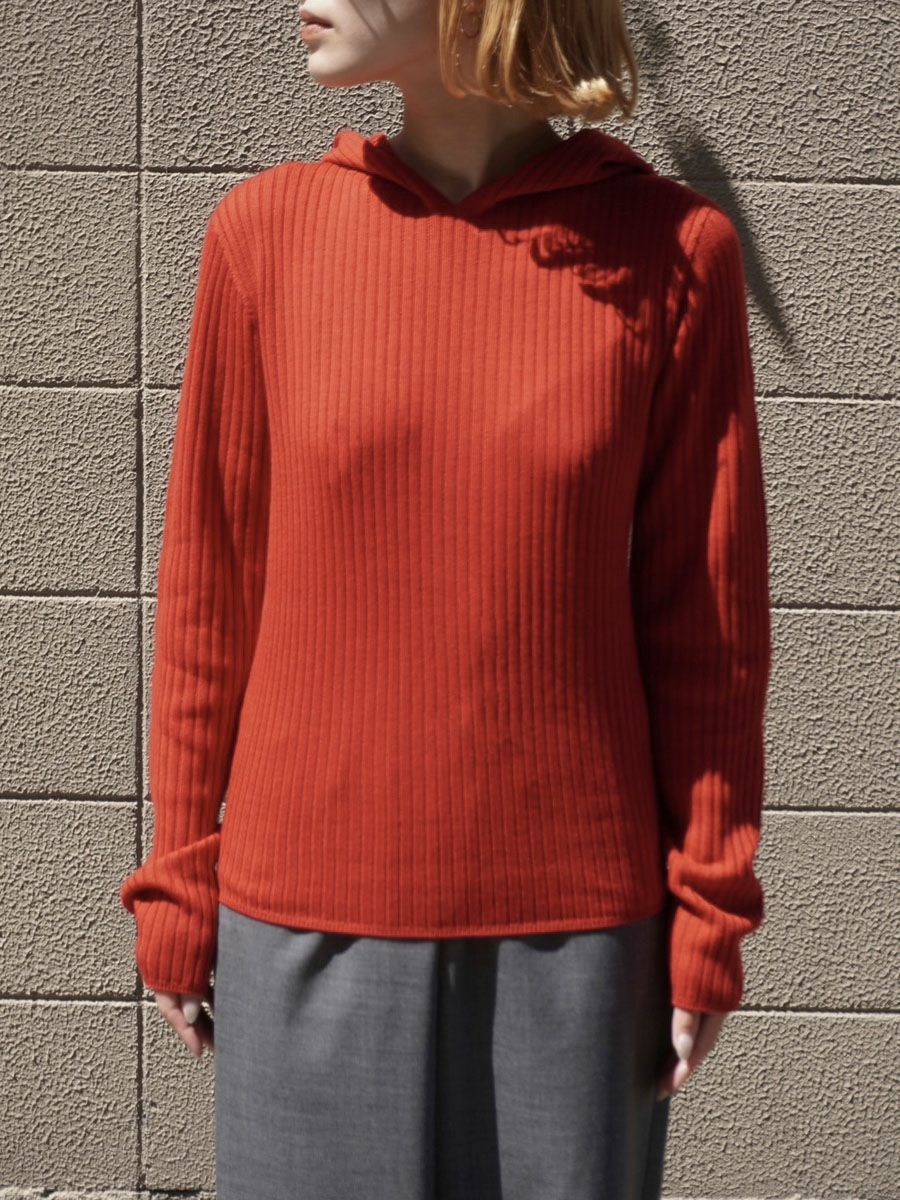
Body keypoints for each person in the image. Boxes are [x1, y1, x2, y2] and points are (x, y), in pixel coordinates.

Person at [120, 0, 772, 1196]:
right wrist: (178, 878)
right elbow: (210, 593)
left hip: (578, 937)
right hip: (302, 916)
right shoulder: (265, 236)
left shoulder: (674, 252)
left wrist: (710, 909)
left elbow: (708, 626)